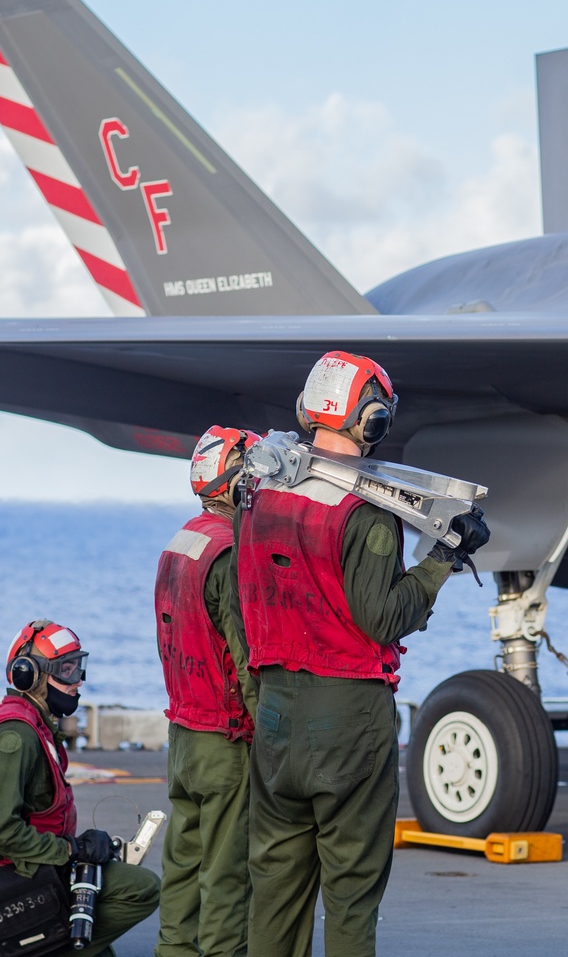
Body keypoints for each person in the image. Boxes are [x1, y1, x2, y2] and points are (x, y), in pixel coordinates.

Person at [233, 351, 490, 957]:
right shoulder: (368, 511)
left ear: (308, 410)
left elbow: (248, 603)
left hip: (275, 714)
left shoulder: (260, 495)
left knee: (274, 890)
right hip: (346, 714)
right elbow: (384, 618)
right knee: (350, 894)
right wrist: (443, 558)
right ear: (370, 422)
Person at [0, 619, 161, 957]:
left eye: (78, 667)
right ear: (28, 675)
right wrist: (70, 851)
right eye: (66, 670)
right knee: (142, 888)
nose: (77, 681)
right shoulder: (14, 738)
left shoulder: (34, 724)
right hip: (12, 877)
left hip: (34, 867)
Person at [153, 426, 260, 957]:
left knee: (182, 869)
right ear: (231, 482)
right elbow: (245, 661)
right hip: (224, 740)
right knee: (225, 878)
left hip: (184, 737)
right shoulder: (230, 553)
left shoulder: (179, 545)